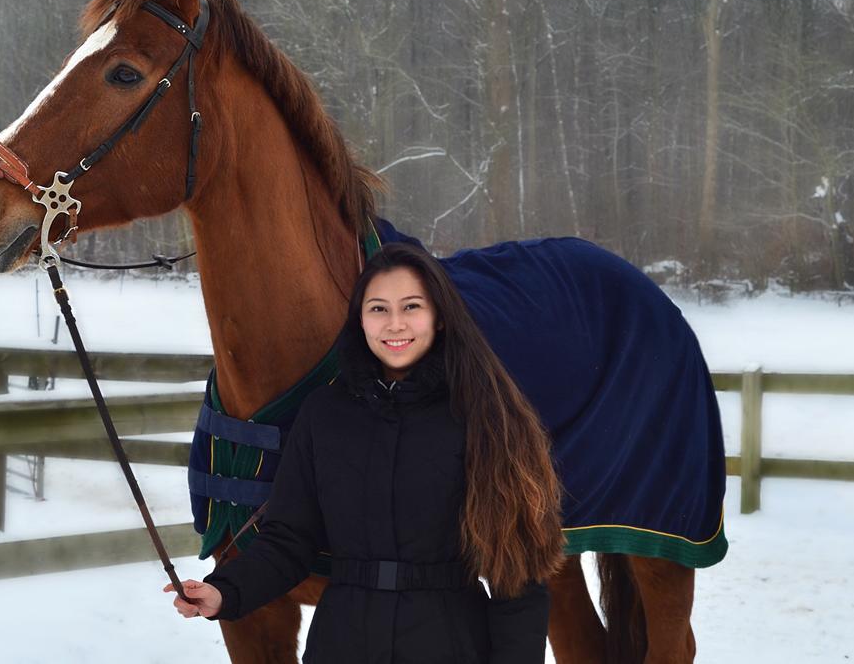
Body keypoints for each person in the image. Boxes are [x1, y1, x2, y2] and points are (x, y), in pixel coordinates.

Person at [167, 242, 565, 663]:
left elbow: (516, 576)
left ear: (441, 316)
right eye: (378, 309)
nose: (395, 324)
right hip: (341, 643)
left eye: (411, 307)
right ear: (359, 320)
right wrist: (224, 591)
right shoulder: (324, 414)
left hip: (449, 642)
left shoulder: (485, 416)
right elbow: (289, 540)